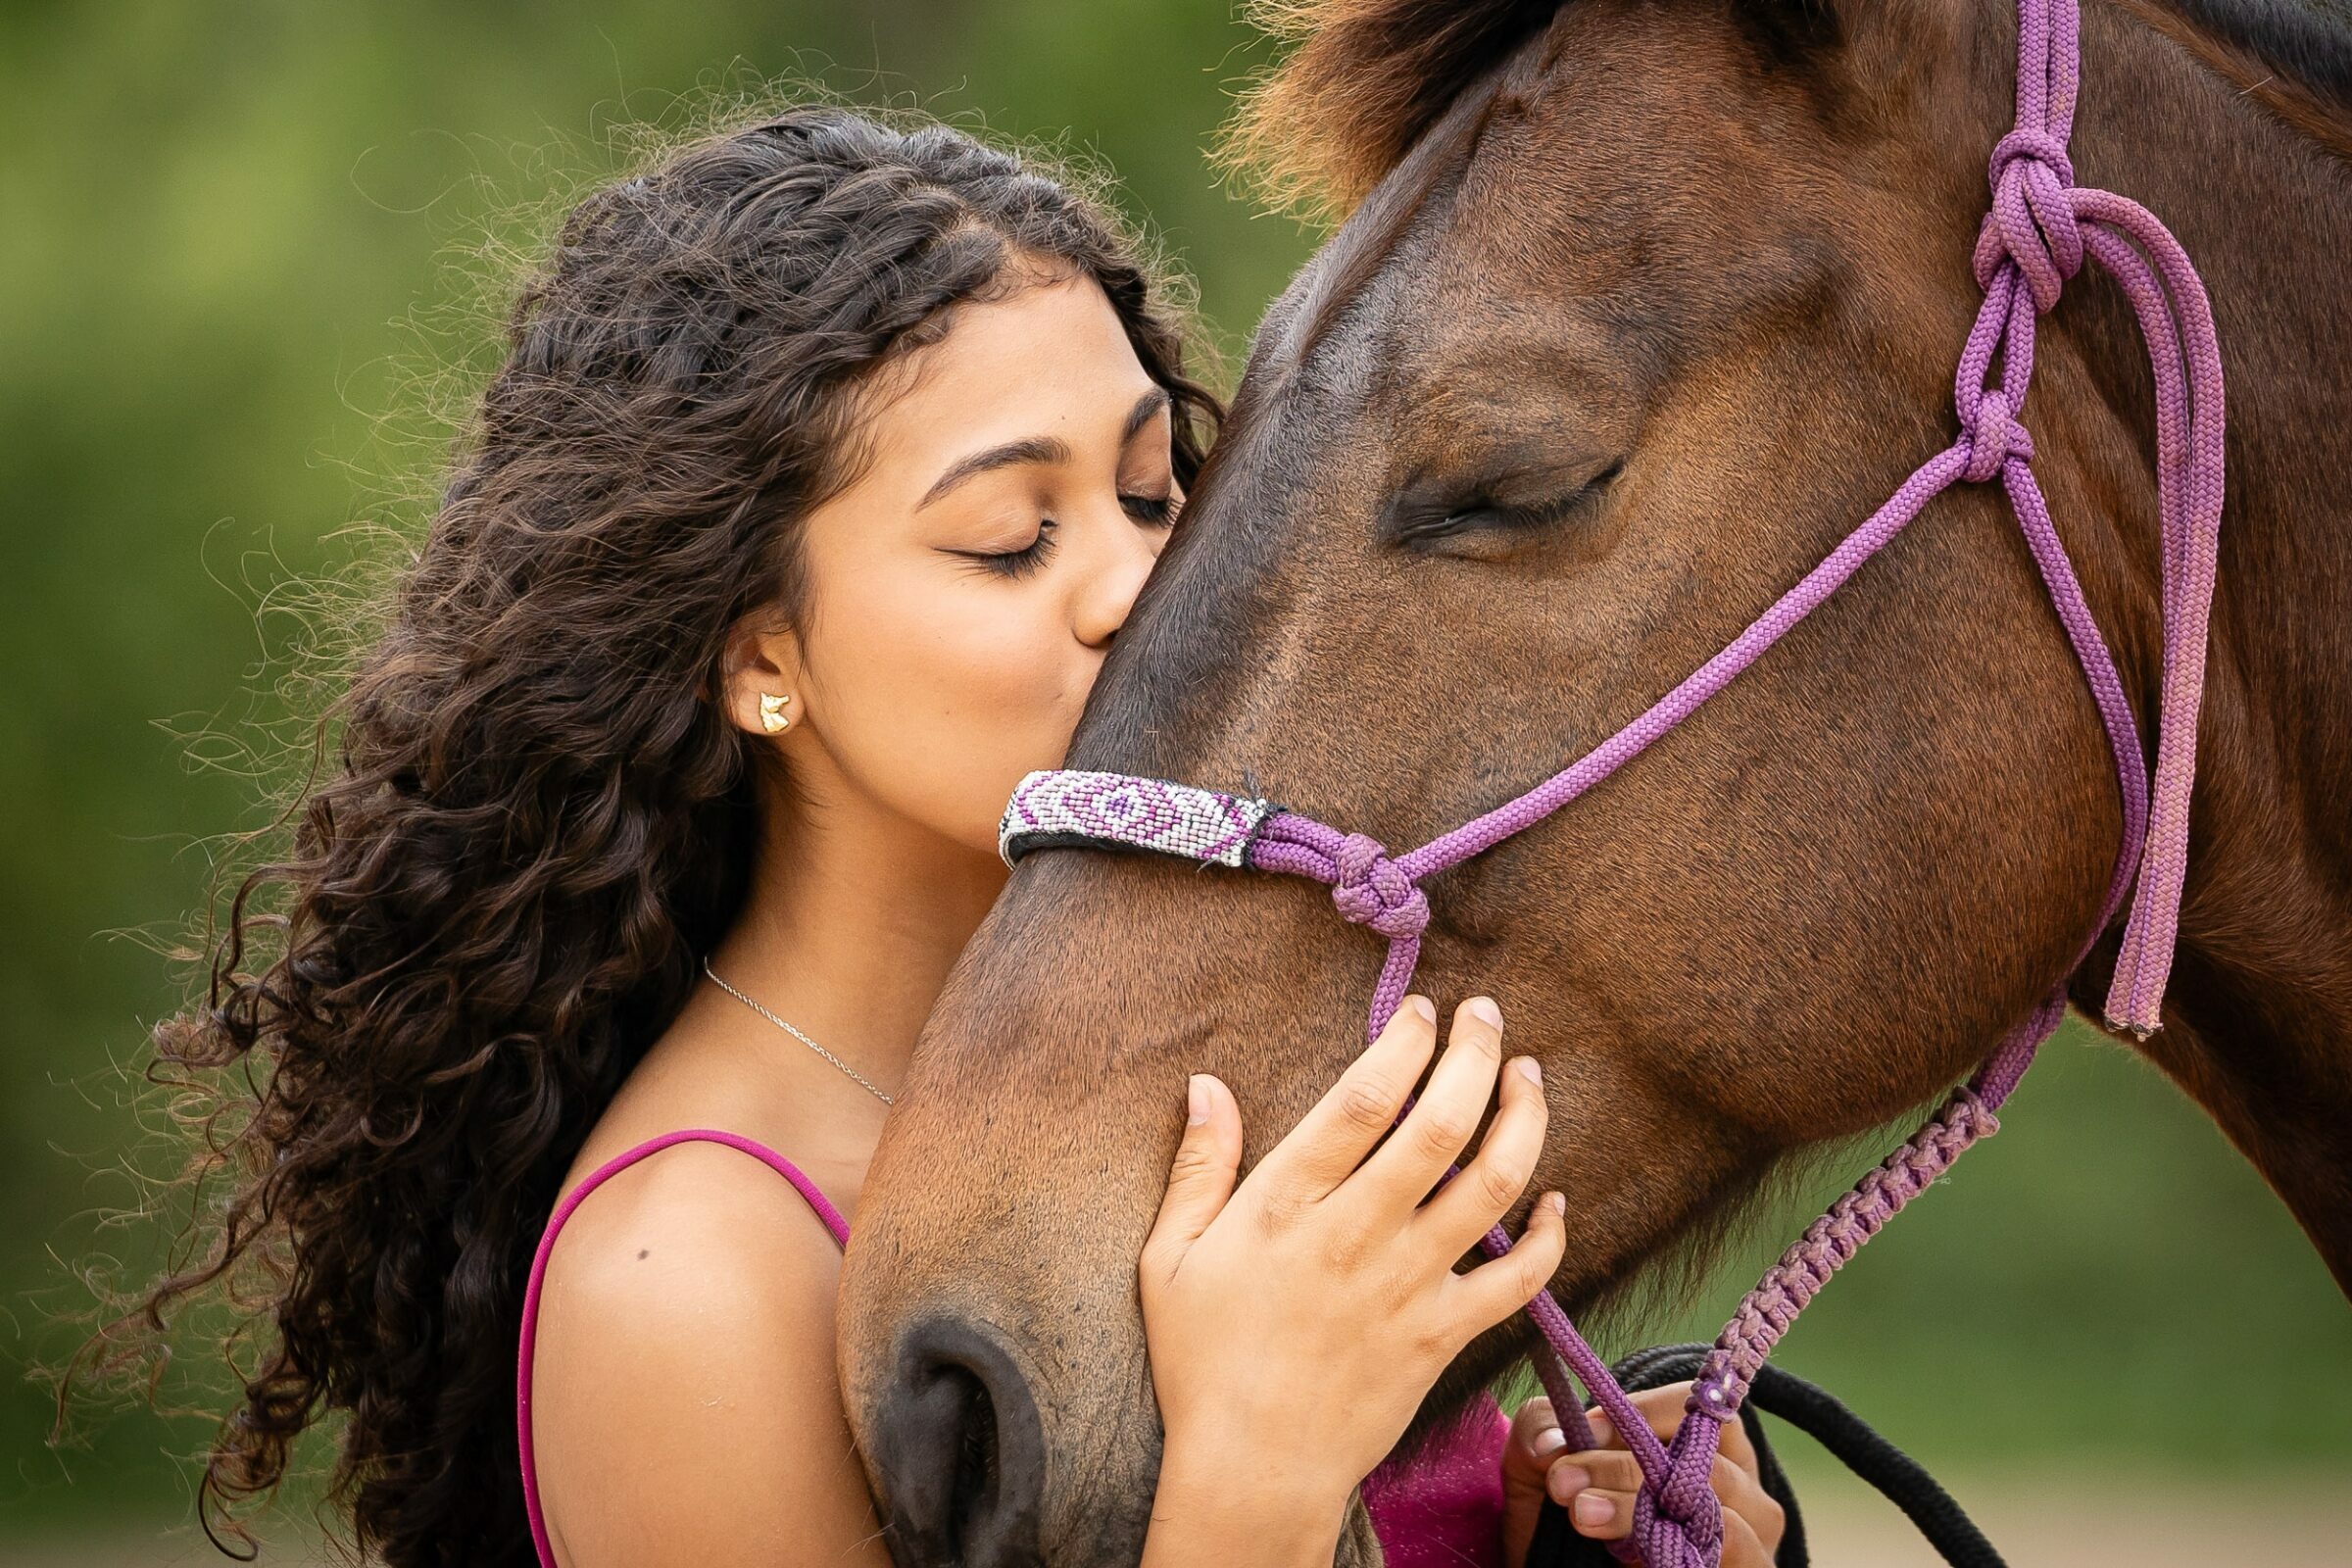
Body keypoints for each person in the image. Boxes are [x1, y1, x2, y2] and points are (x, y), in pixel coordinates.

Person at [95, 106, 1783, 1568]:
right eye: (1005, 539)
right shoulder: (688, 1277)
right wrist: (1255, 1481)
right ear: (758, 657)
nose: (1136, 588)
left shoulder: (1224, 1067)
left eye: (1148, 492)